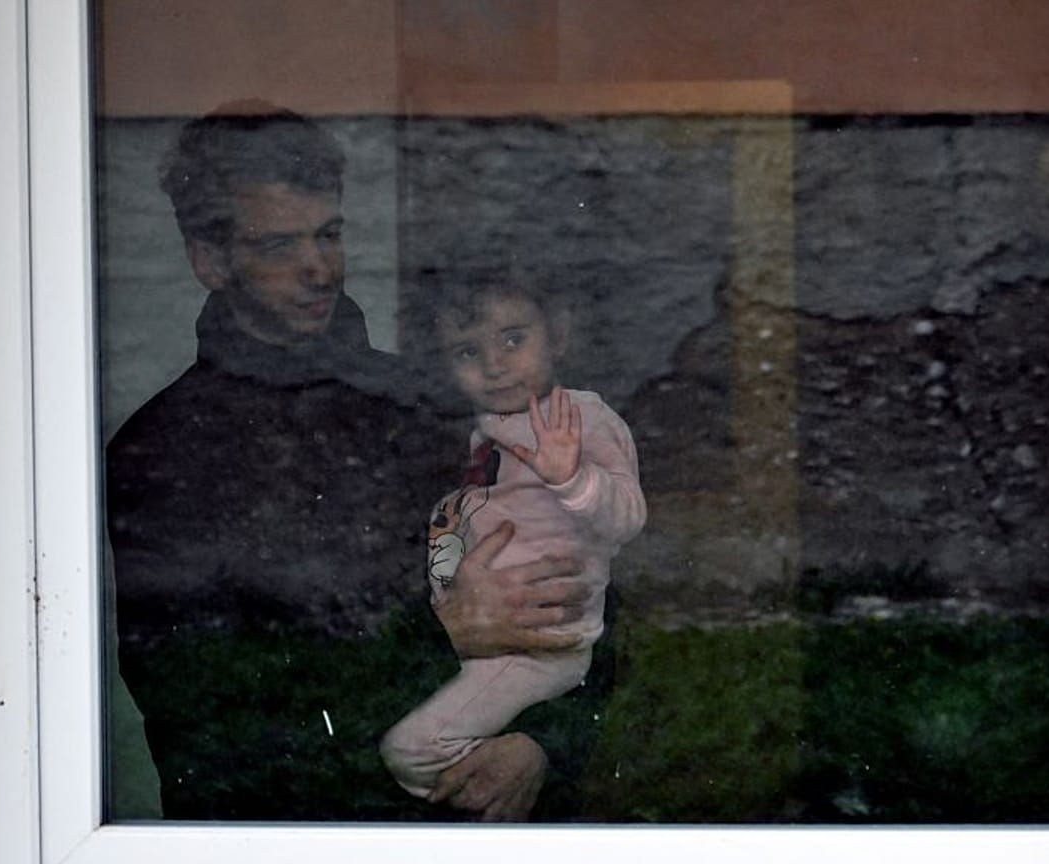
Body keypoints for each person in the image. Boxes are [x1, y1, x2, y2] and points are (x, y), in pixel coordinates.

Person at [105, 102, 606, 822]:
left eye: (329, 234)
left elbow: (587, 588)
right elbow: (205, 716)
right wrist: (438, 632)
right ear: (210, 260)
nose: (319, 268)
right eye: (279, 245)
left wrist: (544, 746)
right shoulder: (160, 454)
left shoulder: (424, 405)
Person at [380, 274, 646, 797]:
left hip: (536, 646)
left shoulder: (580, 419)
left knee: (408, 750)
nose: (494, 365)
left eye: (512, 339)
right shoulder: (486, 431)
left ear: (558, 334)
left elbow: (627, 519)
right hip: (480, 640)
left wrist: (572, 478)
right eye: (466, 352)